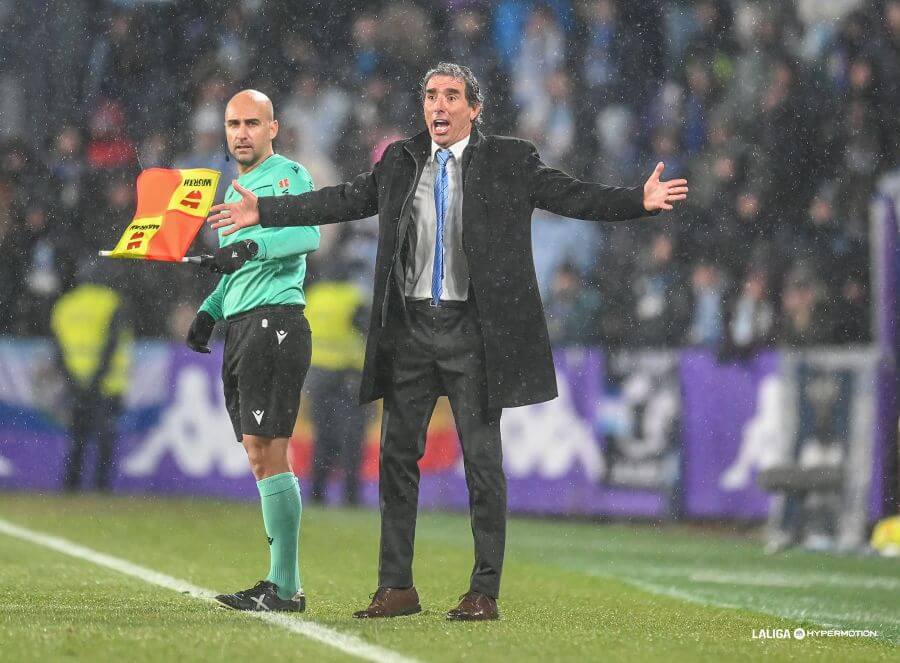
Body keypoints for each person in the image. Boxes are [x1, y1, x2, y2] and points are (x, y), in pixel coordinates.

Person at [209, 63, 688, 621]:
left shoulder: (509, 159)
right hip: (410, 331)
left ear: (474, 108)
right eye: (431, 95)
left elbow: (572, 196)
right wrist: (264, 210)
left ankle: (483, 591)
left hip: (473, 333)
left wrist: (637, 200)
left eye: (452, 96)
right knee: (395, 460)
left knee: (482, 464)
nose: (438, 105)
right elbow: (342, 200)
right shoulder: (400, 160)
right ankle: (396, 588)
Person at [188, 89, 320, 613]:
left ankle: (284, 588)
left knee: (268, 448)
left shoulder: (288, 175)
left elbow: (307, 234)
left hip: (276, 322)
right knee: (258, 452)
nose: (241, 133)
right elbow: (239, 270)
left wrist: (250, 244)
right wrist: (210, 310)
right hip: (245, 325)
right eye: (233, 124)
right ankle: (284, 585)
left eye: (251, 123)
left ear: (273, 128)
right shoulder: (235, 190)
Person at [50, 275, 133, 491]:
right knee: (105, 439)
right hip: (106, 385)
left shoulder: (65, 304)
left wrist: (73, 381)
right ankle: (101, 487)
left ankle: (71, 486)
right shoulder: (111, 301)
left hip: (75, 383)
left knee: (77, 437)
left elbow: (57, 348)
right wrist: (97, 378)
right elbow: (113, 343)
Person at [303, 259, 369, 505]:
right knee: (352, 437)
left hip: (317, 376)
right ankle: (351, 496)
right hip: (348, 376)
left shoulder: (314, 296)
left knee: (323, 436)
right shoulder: (353, 297)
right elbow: (367, 330)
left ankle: (317, 492)